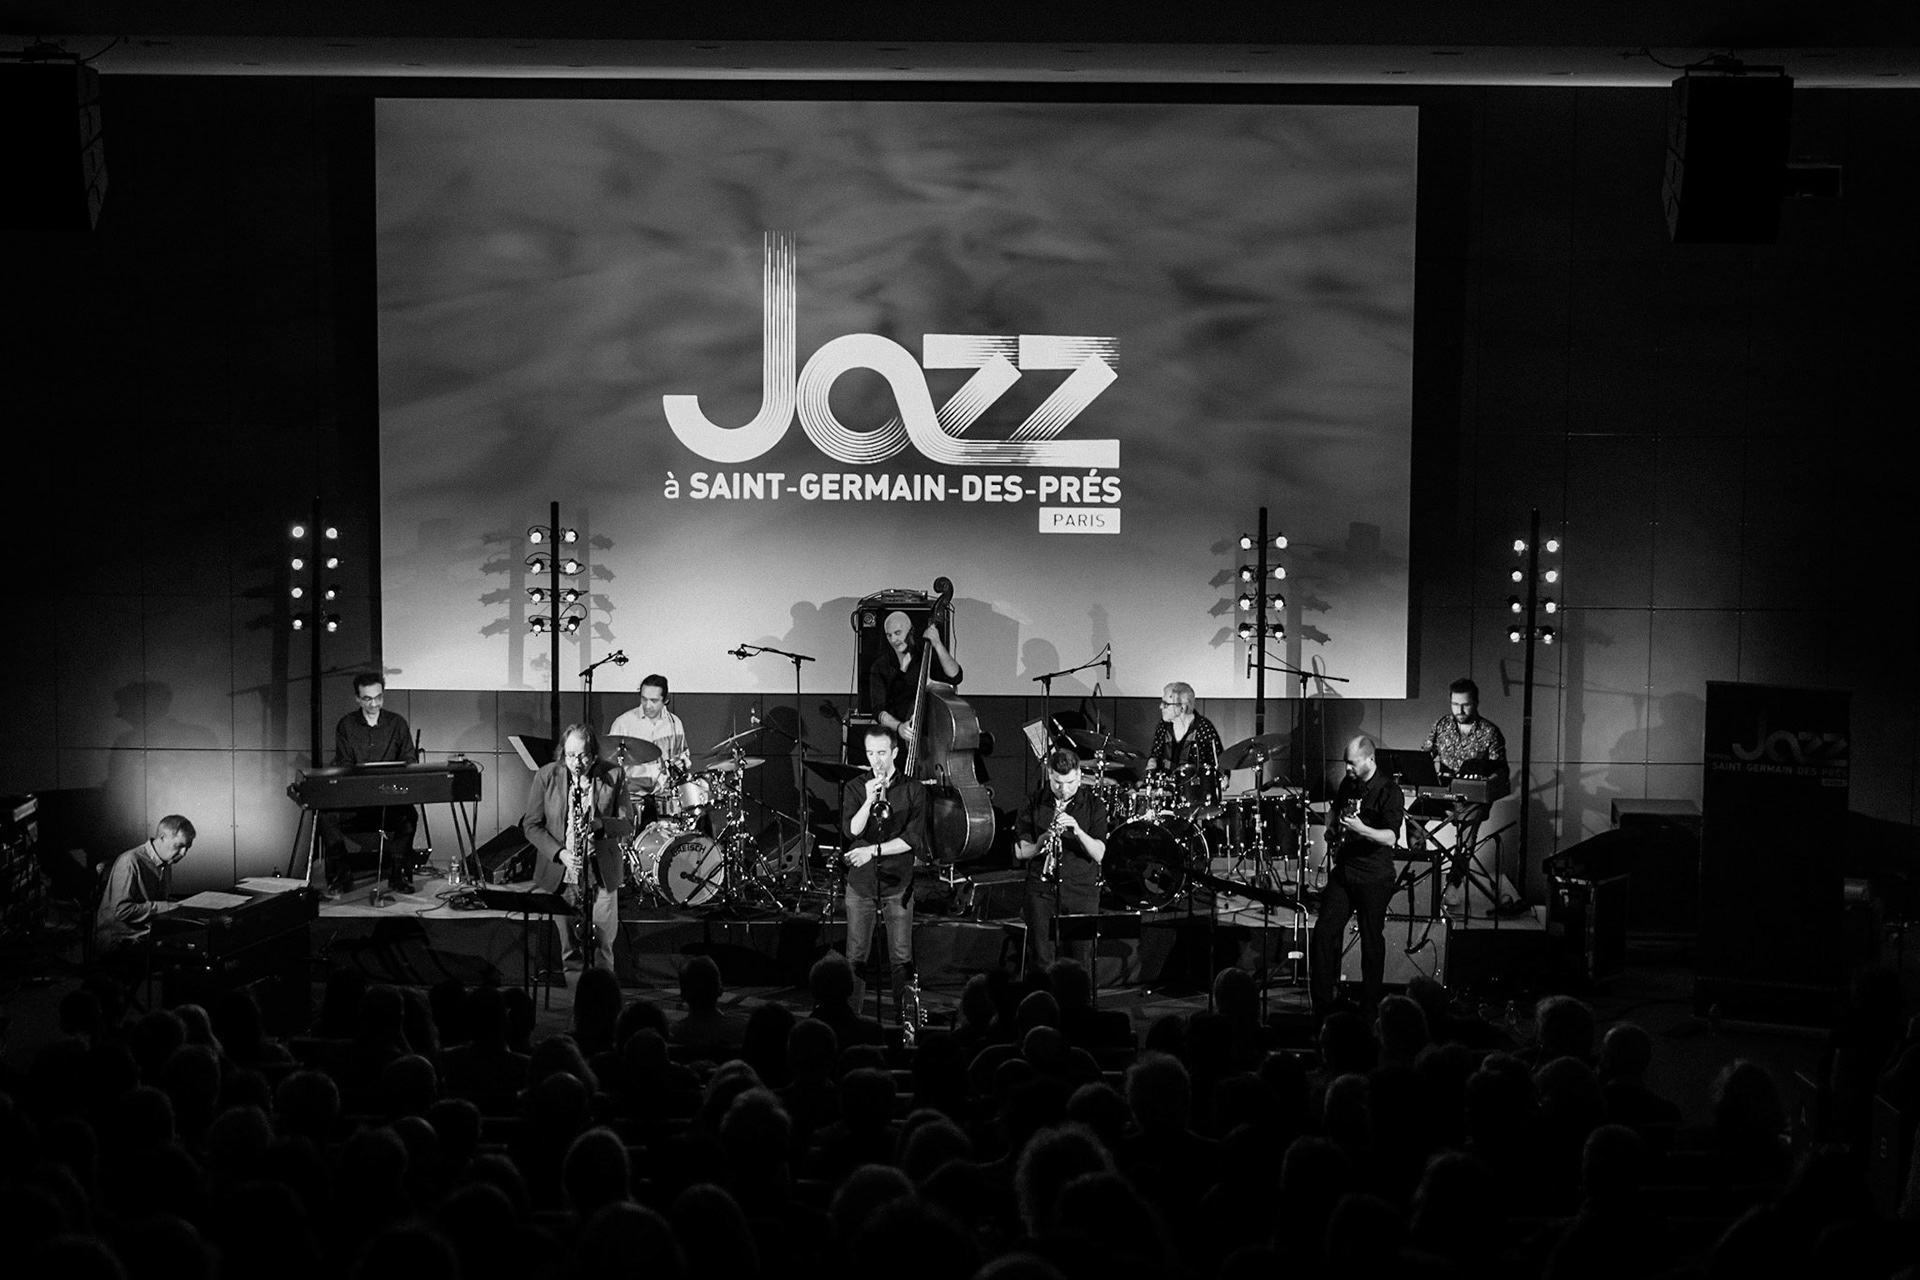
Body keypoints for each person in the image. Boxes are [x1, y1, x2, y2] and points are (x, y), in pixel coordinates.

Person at [840, 725, 930, 1036]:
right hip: (862, 883)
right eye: (870, 754)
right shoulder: (855, 786)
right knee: (855, 955)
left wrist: (872, 851)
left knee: (901, 957)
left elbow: (912, 839)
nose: (876, 760)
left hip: (898, 882)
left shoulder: (914, 789)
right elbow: (852, 831)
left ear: (894, 753)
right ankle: (849, 1023)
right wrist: (867, 800)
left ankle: (906, 1025)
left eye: (881, 753)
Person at [523, 723, 631, 978]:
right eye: (570, 755)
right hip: (564, 876)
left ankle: (603, 1012)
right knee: (570, 952)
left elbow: (627, 823)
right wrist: (560, 854)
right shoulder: (547, 775)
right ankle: (579, 1013)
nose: (576, 762)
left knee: (602, 949)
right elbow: (530, 825)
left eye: (582, 755)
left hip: (600, 873)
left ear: (593, 754)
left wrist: (601, 825)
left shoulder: (613, 775)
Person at [1310, 735, 1403, 1020]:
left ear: (1369, 759)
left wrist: (1362, 828)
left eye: (1352, 763)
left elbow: (1390, 837)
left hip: (1375, 875)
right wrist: (1331, 826)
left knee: (1371, 940)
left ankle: (1370, 1009)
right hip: (1346, 870)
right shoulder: (1348, 784)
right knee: (1324, 933)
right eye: (1346, 763)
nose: (1348, 768)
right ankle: (1323, 1007)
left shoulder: (1389, 790)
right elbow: (1336, 809)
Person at [319, 672, 419, 897]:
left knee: (409, 818)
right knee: (326, 817)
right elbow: (345, 764)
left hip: (389, 800)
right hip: (358, 801)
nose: (374, 704)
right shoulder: (346, 725)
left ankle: (397, 874)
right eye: (367, 699)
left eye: (378, 698)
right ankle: (342, 873)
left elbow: (410, 759)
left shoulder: (397, 723)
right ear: (357, 698)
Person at [1015, 748, 1109, 973]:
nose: (1064, 789)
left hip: (1080, 892)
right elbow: (1020, 852)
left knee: (1080, 962)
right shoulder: (1033, 802)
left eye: (1070, 782)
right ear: (1049, 774)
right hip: (1042, 892)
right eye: (1057, 783)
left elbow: (1099, 854)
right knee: (1041, 961)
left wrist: (1077, 830)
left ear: (1079, 776)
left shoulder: (1094, 805)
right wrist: (1042, 841)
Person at [1421, 677, 1509, 889]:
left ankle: (1453, 886)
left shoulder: (1489, 732)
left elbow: (1501, 770)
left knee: (1466, 837)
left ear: (1476, 703)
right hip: (1444, 792)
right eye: (1455, 704)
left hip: (1473, 797)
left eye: (1465, 704)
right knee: (1413, 818)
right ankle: (1422, 873)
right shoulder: (1441, 725)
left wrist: (1486, 783)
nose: (1459, 710)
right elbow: (1424, 757)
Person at [95, 815, 194, 953]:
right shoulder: (130, 861)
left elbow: (152, 901)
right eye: (180, 846)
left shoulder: (165, 862)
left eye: (187, 848)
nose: (183, 853)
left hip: (144, 934)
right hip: (120, 941)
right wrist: (165, 907)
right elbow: (122, 910)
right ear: (162, 837)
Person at [605, 674, 693, 823]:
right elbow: (609, 763)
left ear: (665, 700)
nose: (647, 705)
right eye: (644, 699)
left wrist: (683, 764)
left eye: (654, 700)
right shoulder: (624, 723)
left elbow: (683, 757)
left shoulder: (674, 723)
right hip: (633, 794)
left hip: (662, 794)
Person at [867, 610, 963, 746]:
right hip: (897, 739)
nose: (893, 640)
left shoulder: (927, 658)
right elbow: (879, 710)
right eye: (889, 635)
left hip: (932, 738)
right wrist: (900, 727)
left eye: (898, 633)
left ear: (911, 631)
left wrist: (937, 643)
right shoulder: (881, 666)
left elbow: (955, 676)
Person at [1148, 682, 1224, 811]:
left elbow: (1220, 761)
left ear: (1182, 708)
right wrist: (1150, 767)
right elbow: (1155, 755)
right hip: (1167, 795)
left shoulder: (1203, 728)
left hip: (1196, 797)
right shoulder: (1163, 726)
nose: (1161, 707)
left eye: (1166, 704)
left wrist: (1223, 776)